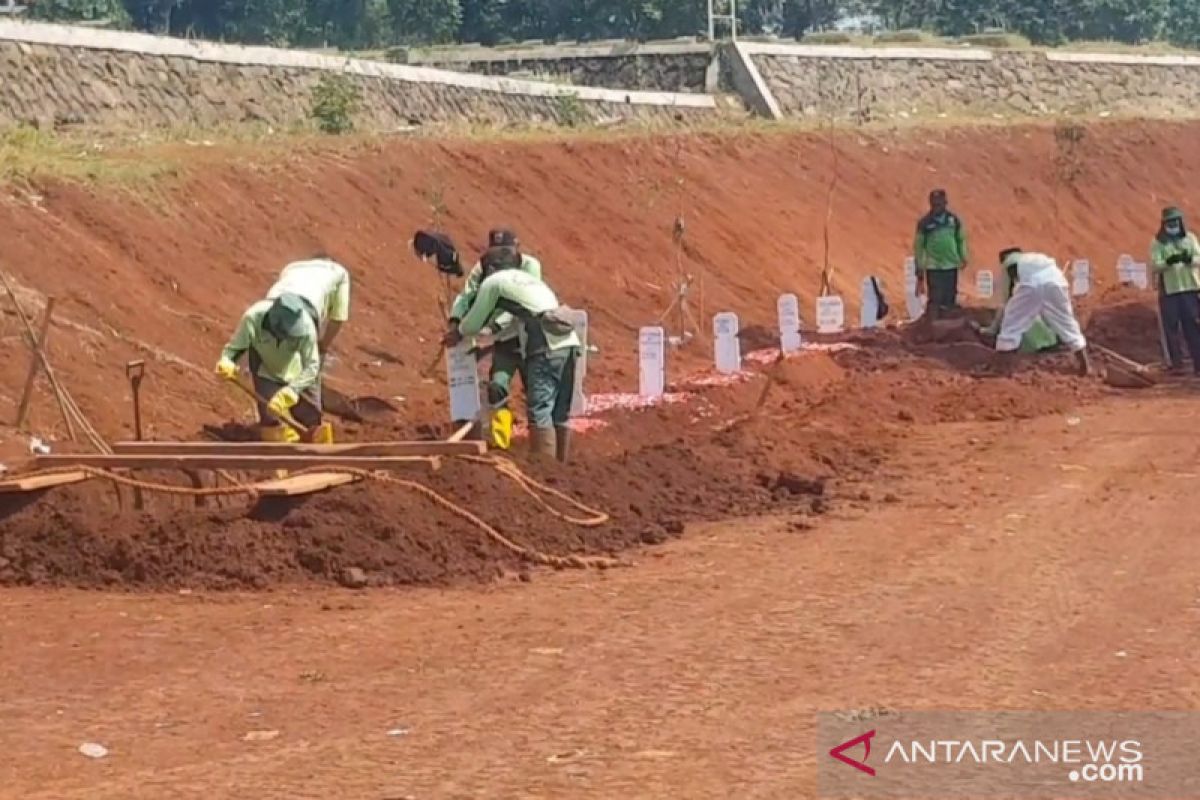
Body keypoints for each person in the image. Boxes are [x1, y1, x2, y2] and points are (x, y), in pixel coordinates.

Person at [446, 245, 578, 463]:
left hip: (543, 343)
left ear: (492, 268)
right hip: (568, 342)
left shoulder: (494, 282)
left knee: (539, 408)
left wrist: (457, 331)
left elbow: (473, 322)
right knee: (559, 409)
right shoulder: (531, 280)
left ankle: (545, 470)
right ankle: (559, 465)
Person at [448, 228, 544, 450]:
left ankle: (541, 449)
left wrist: (491, 326)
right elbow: (467, 294)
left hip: (532, 340)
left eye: (505, 251)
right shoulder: (483, 267)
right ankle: (503, 443)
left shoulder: (530, 266)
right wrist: (455, 320)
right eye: (495, 251)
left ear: (516, 249)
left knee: (536, 394)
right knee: (496, 387)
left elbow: (522, 308)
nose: (499, 257)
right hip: (506, 342)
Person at [215, 293, 330, 443]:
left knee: (312, 417)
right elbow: (234, 348)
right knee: (271, 420)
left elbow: (312, 366)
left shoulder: (306, 328)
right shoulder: (253, 318)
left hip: (300, 371)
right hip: (266, 368)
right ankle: (282, 458)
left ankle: (322, 457)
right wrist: (227, 361)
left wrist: (291, 391)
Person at [993, 248, 1092, 376]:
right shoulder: (1033, 258)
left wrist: (1001, 317)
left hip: (1032, 284)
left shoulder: (1009, 262)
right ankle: (1085, 366)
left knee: (1012, 322)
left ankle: (1003, 367)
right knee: (1066, 322)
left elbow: (1008, 293)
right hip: (1057, 281)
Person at [265, 255, 351, 355]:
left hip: (270, 303)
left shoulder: (293, 266)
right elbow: (337, 319)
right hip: (305, 309)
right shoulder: (340, 272)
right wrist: (323, 347)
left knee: (261, 344)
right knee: (298, 360)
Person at [1150, 206, 1200, 375]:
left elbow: (1198, 258)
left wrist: (1189, 258)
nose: (1173, 225)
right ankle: (1176, 364)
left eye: (1175, 222)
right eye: (1169, 222)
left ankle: (1198, 363)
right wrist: (1168, 262)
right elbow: (1155, 265)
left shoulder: (1190, 238)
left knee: (1193, 326)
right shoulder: (1157, 243)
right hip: (1169, 291)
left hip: (1190, 288)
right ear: (1163, 224)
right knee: (1171, 328)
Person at [913, 189, 969, 318]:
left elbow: (960, 239)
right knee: (935, 297)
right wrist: (919, 266)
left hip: (951, 264)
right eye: (934, 203)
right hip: (934, 266)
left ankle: (949, 325)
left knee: (950, 296)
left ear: (945, 203)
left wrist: (963, 256)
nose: (936, 206)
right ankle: (934, 325)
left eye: (939, 203)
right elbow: (918, 246)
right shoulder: (925, 223)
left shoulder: (953, 220)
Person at [981, 265, 1060, 354]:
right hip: (1048, 340)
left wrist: (990, 331)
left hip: (1027, 346)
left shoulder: (1016, 294)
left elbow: (994, 330)